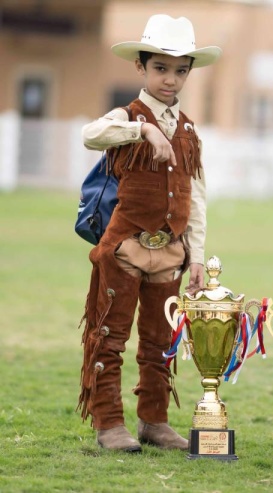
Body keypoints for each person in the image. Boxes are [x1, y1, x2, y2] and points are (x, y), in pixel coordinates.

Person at [77, 14, 222, 453]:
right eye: (161, 69)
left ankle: (153, 421)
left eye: (180, 71)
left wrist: (196, 256)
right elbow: (90, 134)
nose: (171, 79)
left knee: (160, 343)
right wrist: (142, 129)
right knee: (110, 337)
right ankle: (108, 424)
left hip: (170, 252)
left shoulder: (191, 130)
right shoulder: (127, 116)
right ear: (141, 68)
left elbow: (195, 198)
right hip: (124, 248)